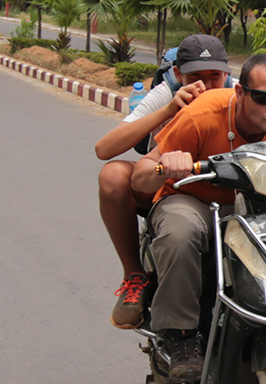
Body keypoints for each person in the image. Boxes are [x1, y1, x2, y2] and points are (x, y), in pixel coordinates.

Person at [131, 53, 266, 383]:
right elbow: (141, 175)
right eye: (263, 99)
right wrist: (167, 164)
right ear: (240, 93)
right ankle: (181, 336)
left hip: (261, 208)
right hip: (194, 200)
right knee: (181, 232)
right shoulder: (202, 115)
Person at [95, 34, 233, 331]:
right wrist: (170, 109)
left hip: (225, 189)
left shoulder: (239, 96)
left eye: (214, 77)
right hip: (169, 186)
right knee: (113, 175)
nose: (206, 86)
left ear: (227, 74)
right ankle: (135, 275)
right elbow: (104, 150)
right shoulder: (166, 93)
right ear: (178, 74)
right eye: (195, 77)